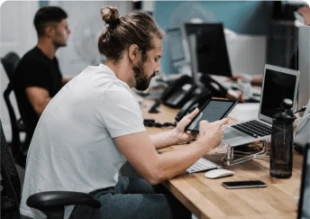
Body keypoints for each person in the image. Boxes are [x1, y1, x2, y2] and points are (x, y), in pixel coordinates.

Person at [20, 6, 228, 219]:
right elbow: (154, 171)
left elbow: (129, 143)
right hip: (70, 206)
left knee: (166, 191)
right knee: (181, 208)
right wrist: (206, 143)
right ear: (134, 53)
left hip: (66, 192)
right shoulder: (112, 93)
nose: (158, 69)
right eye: (155, 59)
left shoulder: (96, 77)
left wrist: (174, 136)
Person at [13, 6, 71, 146]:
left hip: (54, 130)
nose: (69, 32)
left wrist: (82, 82)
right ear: (50, 31)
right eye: (65, 28)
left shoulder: (49, 59)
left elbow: (53, 82)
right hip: (44, 139)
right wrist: (76, 100)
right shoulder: (33, 64)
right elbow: (41, 107)